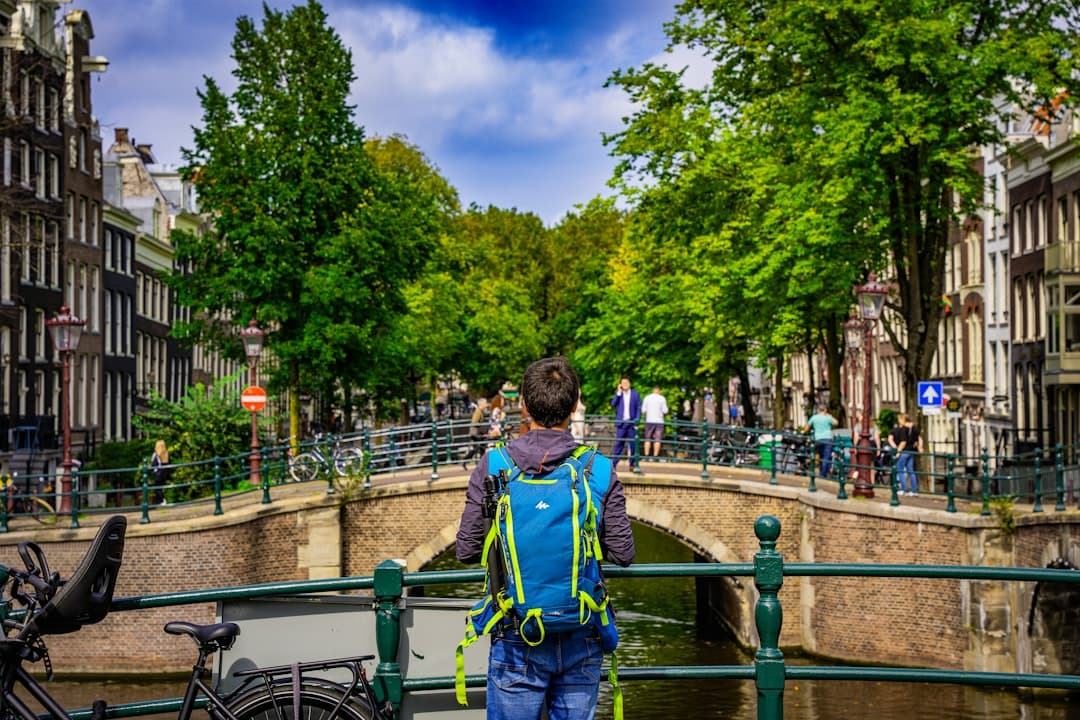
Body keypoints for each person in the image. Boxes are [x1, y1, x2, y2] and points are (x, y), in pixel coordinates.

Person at [456, 356, 634, 720]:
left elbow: (466, 549)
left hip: (516, 631)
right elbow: (623, 552)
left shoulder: (494, 466)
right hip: (581, 631)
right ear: (574, 405)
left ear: (522, 403)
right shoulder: (597, 468)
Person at [610, 375, 642, 471]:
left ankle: (632, 465)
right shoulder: (619, 395)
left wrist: (637, 420)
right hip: (621, 424)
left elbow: (638, 408)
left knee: (632, 445)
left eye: (626, 383)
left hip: (631, 423)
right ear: (620, 385)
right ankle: (614, 464)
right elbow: (613, 404)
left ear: (630, 384)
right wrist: (618, 393)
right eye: (623, 383)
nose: (625, 385)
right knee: (619, 444)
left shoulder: (635, 394)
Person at [806, 405, 838, 478]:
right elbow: (836, 423)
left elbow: (807, 427)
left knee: (821, 456)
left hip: (818, 439)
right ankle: (823, 474)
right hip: (827, 438)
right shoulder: (827, 418)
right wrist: (830, 416)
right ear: (825, 410)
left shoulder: (814, 417)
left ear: (818, 410)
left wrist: (804, 432)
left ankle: (823, 472)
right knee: (826, 457)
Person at [895, 414, 923, 496]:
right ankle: (914, 490)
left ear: (903, 420)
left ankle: (904, 490)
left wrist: (898, 452)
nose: (898, 421)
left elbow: (903, 442)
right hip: (912, 452)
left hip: (904, 451)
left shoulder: (904, 429)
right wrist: (919, 447)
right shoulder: (915, 428)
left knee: (900, 470)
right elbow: (919, 439)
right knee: (911, 470)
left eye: (899, 420)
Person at [641, 386, 669, 457]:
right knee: (657, 439)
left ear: (652, 390)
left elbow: (643, 410)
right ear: (659, 391)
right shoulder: (662, 398)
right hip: (659, 421)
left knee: (647, 439)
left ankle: (646, 455)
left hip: (649, 420)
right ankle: (655, 456)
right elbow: (665, 411)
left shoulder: (647, 398)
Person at [150, 439, 172, 505]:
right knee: (160, 488)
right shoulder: (166, 454)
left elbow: (153, 464)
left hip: (158, 474)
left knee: (156, 488)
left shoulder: (156, 454)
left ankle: (162, 500)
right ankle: (161, 501)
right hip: (164, 474)